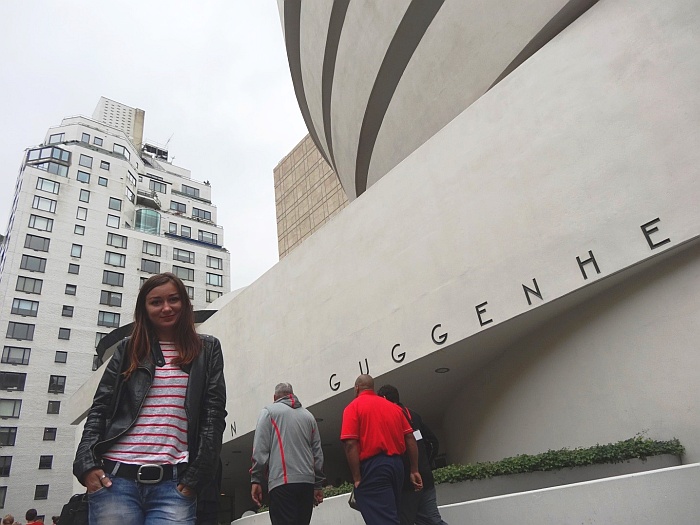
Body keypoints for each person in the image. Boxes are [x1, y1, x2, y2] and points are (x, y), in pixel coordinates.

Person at [73, 272, 227, 525]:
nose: (166, 308)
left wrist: (195, 480)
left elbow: (214, 416)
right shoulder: (128, 349)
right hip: (115, 481)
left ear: (185, 304)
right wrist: (87, 465)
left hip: (174, 485)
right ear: (144, 309)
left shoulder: (207, 350)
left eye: (173, 299)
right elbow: (100, 408)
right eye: (156, 302)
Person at [341, 374, 423, 524]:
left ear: (357, 388)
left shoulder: (353, 408)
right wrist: (414, 469)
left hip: (373, 467)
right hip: (397, 466)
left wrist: (357, 477)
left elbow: (350, 444)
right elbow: (410, 438)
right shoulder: (394, 408)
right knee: (390, 513)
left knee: (382, 518)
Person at [250, 382, 325, 525]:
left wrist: (256, 479)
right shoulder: (309, 416)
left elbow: (260, 450)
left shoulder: (269, 412)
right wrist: (318, 485)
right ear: (292, 395)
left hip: (282, 482)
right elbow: (318, 454)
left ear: (275, 397)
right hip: (307, 483)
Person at [378, 385, 448, 525]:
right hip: (425, 479)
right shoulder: (413, 415)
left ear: (384, 399)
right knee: (432, 520)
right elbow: (433, 442)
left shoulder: (389, 418)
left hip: (406, 484)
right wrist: (425, 464)